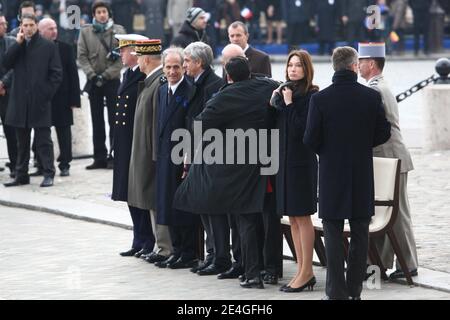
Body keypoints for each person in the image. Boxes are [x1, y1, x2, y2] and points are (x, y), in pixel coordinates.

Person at [173, 56, 280, 289]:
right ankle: (266, 270)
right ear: (249, 71)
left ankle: (252, 274)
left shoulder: (224, 96)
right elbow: (280, 89)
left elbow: (200, 124)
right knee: (262, 218)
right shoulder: (267, 86)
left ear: (228, 75)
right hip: (266, 160)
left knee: (245, 218)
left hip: (238, 167)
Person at [303, 46, 391, 300]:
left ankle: (335, 293)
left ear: (333, 66)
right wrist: (362, 144)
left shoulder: (319, 99)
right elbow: (384, 132)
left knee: (332, 233)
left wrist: (328, 150)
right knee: (360, 233)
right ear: (354, 66)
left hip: (331, 174)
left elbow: (310, 139)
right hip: (362, 172)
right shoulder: (370, 97)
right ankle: (354, 291)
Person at [358, 42, 418, 280]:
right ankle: (381, 262)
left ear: (371, 64)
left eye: (361, 62)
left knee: (397, 212)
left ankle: (408, 265)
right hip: (386, 156)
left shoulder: (376, 89)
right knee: (384, 210)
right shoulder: (378, 86)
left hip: (390, 156)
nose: (358, 66)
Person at [270, 50, 318, 293]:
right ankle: (301, 269)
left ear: (306, 69)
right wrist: (276, 101)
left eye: (298, 65)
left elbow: (302, 130)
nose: (293, 69)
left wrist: (288, 104)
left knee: (303, 216)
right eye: (290, 65)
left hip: (302, 164)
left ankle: (307, 271)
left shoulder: (311, 95)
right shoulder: (285, 91)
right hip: (285, 163)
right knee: (293, 219)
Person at [3, 14, 62, 188]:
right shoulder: (18, 45)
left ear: (36, 26)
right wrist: (18, 44)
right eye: (25, 25)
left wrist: (45, 95)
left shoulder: (48, 46)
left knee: (44, 140)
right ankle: (21, 175)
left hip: (40, 101)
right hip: (20, 101)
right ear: (21, 26)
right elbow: (6, 63)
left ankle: (48, 173)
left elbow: (56, 74)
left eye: (31, 25)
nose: (28, 28)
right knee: (22, 142)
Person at [128, 39, 173, 264]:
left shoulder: (158, 82)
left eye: (138, 57)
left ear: (146, 59)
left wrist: (156, 158)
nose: (137, 61)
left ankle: (164, 246)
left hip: (152, 155)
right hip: (145, 153)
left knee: (156, 199)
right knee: (151, 200)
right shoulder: (150, 81)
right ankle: (158, 244)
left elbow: (158, 124)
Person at [181, 41, 224, 275]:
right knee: (203, 206)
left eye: (187, 60)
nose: (184, 64)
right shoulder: (194, 83)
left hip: (210, 152)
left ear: (199, 63)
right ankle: (211, 254)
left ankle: (220, 256)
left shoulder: (214, 85)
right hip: (196, 152)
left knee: (212, 207)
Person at [154, 47, 198, 269]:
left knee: (182, 206)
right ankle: (177, 249)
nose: (172, 71)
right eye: (168, 67)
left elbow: (190, 128)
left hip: (181, 158)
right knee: (167, 204)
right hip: (164, 156)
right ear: (163, 67)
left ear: (183, 67)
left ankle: (188, 252)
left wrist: (187, 159)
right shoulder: (162, 90)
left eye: (176, 67)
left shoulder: (190, 91)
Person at [111, 34, 155, 258]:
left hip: (135, 142)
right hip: (123, 142)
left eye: (123, 50)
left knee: (139, 192)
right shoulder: (127, 74)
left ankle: (148, 238)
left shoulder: (142, 76)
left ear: (136, 52)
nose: (120, 54)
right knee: (128, 193)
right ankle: (138, 238)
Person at [77, 1, 125, 170]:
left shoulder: (119, 31)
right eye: (98, 12)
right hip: (94, 82)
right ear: (94, 15)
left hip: (112, 81)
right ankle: (99, 157)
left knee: (115, 120)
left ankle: (113, 155)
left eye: (104, 11)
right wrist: (92, 75)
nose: (102, 15)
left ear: (108, 13)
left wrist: (105, 75)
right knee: (96, 121)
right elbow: (82, 56)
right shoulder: (85, 32)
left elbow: (122, 58)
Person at [38, 18, 81, 177]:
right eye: (50, 28)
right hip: (44, 98)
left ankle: (65, 163)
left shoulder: (66, 48)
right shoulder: (36, 48)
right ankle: (41, 162)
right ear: (41, 31)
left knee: (64, 132)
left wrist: (74, 100)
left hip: (63, 98)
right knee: (41, 132)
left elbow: (73, 75)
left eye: (55, 27)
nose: (54, 31)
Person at [0, 14, 17, 178]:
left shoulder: (11, 42)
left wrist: (3, 83)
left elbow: (15, 67)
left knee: (11, 131)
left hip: (7, 93)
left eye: (5, 23)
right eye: (2, 24)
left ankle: (15, 165)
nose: (5, 26)